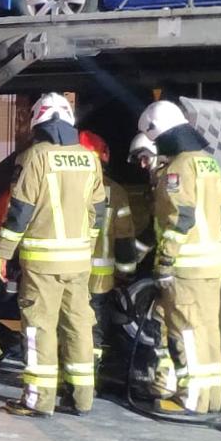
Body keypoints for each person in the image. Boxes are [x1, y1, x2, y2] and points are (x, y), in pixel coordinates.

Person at [0, 94, 106, 417]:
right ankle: (82, 398)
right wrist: (86, 244)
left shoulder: (34, 157)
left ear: (37, 121)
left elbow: (19, 212)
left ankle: (38, 400)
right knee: (79, 326)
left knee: (38, 328)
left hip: (43, 265)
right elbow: (98, 209)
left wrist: (1, 254)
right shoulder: (89, 158)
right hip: (79, 262)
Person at [139, 100, 221, 414]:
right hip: (215, 261)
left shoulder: (178, 167)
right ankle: (210, 399)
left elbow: (180, 218)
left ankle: (191, 400)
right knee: (208, 331)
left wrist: (165, 260)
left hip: (188, 267)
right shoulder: (209, 163)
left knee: (187, 334)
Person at [82, 131, 142, 368]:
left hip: (68, 274)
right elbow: (124, 236)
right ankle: (89, 376)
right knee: (93, 329)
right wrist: (127, 272)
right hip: (100, 281)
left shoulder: (67, 185)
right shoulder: (115, 192)